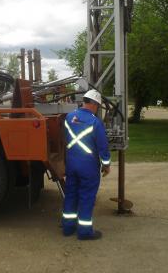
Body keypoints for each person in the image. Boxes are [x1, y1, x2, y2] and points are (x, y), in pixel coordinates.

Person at [62, 89, 111, 240]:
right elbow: (102, 146)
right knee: (86, 197)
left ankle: (68, 228)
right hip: (88, 167)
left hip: (71, 164)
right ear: (95, 104)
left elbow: (66, 139)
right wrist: (106, 164)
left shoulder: (69, 117)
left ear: (84, 101)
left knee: (70, 195)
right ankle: (84, 232)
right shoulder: (95, 122)